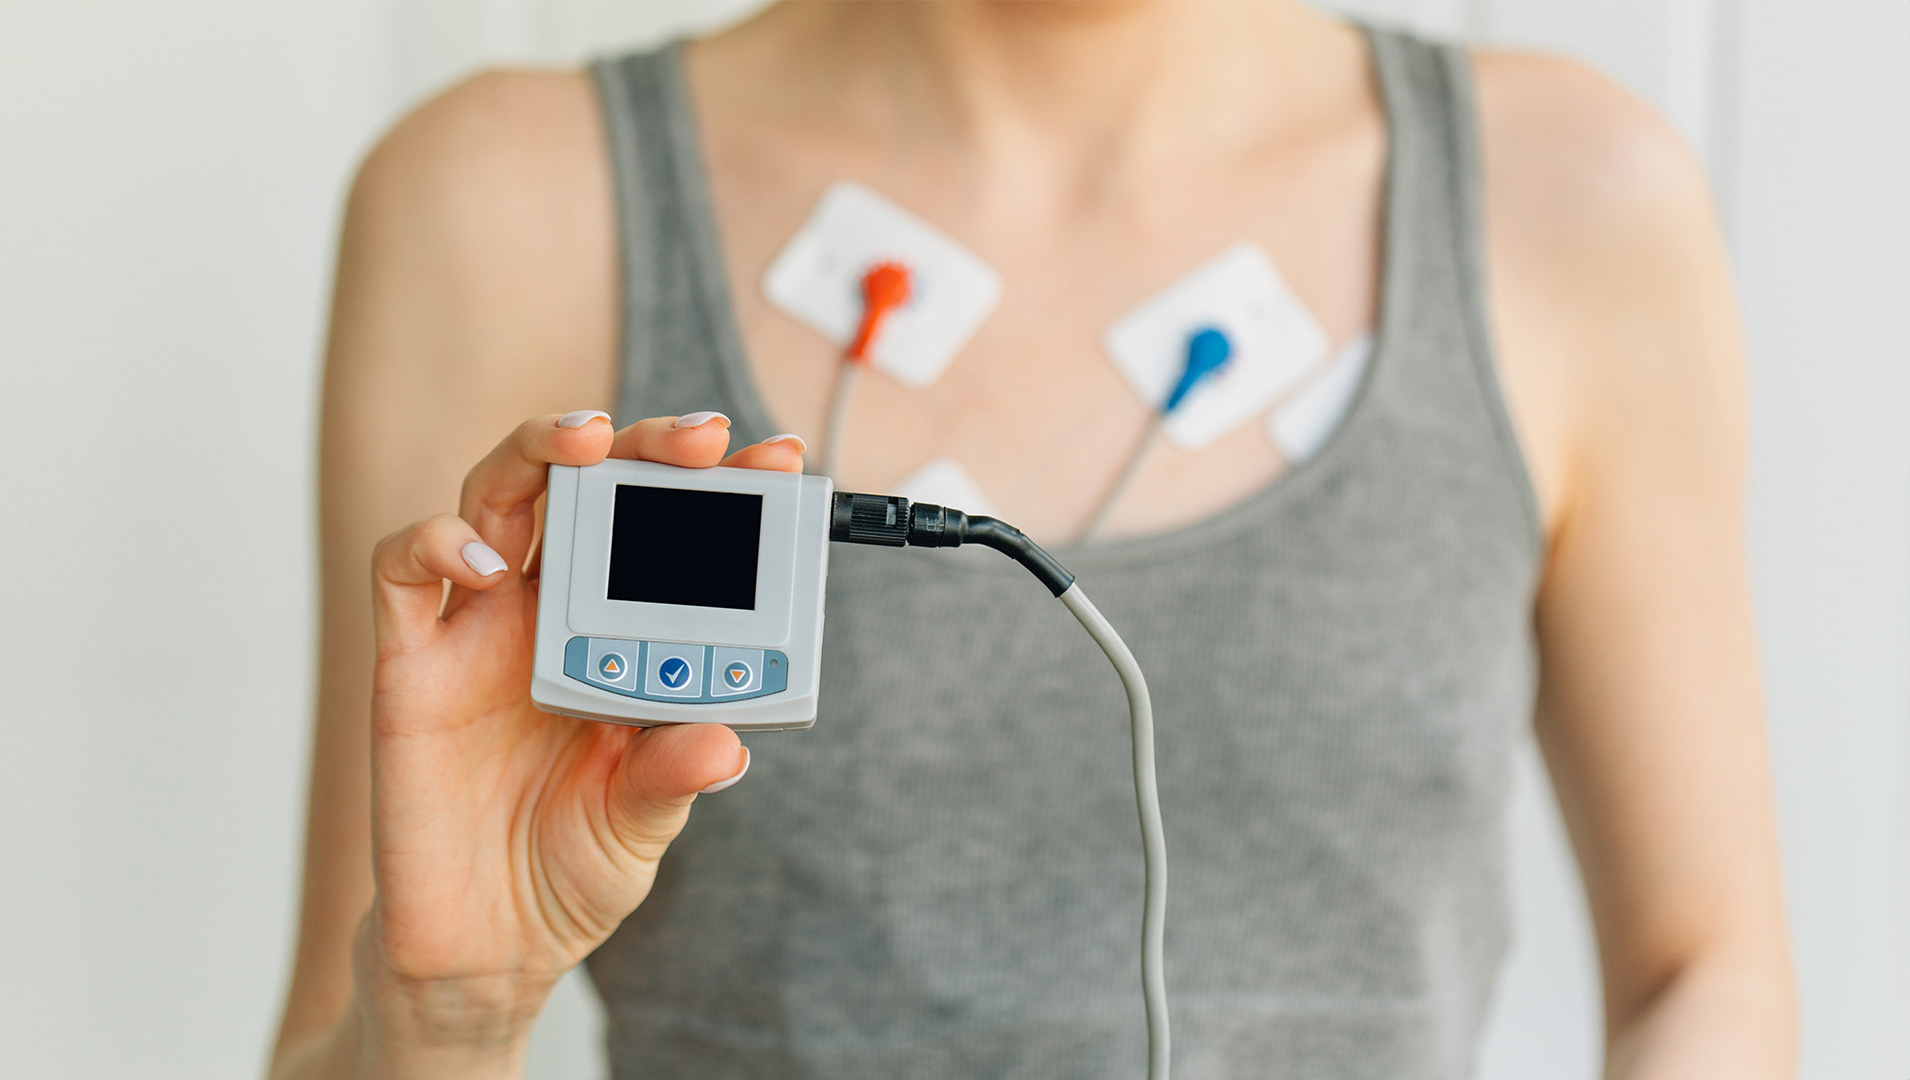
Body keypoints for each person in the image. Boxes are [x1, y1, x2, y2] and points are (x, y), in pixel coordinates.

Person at [270, 2, 1796, 1077]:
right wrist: (451, 1020)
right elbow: (361, 1016)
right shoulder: (506, 199)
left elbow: (1705, 975)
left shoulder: (1570, 196)